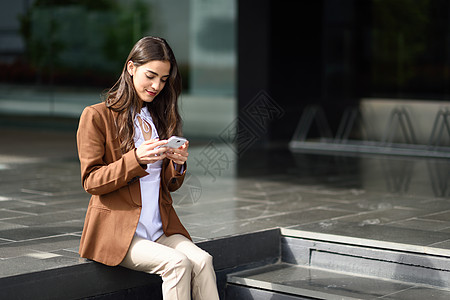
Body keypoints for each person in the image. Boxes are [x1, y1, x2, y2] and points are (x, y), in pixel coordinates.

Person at [76, 36, 219, 300]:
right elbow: (91, 181)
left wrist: (177, 165)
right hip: (120, 233)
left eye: (164, 80)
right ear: (131, 67)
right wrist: (136, 159)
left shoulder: (157, 118)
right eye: (150, 76)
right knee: (177, 264)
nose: (156, 86)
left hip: (158, 228)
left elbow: (169, 186)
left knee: (203, 261)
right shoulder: (96, 116)